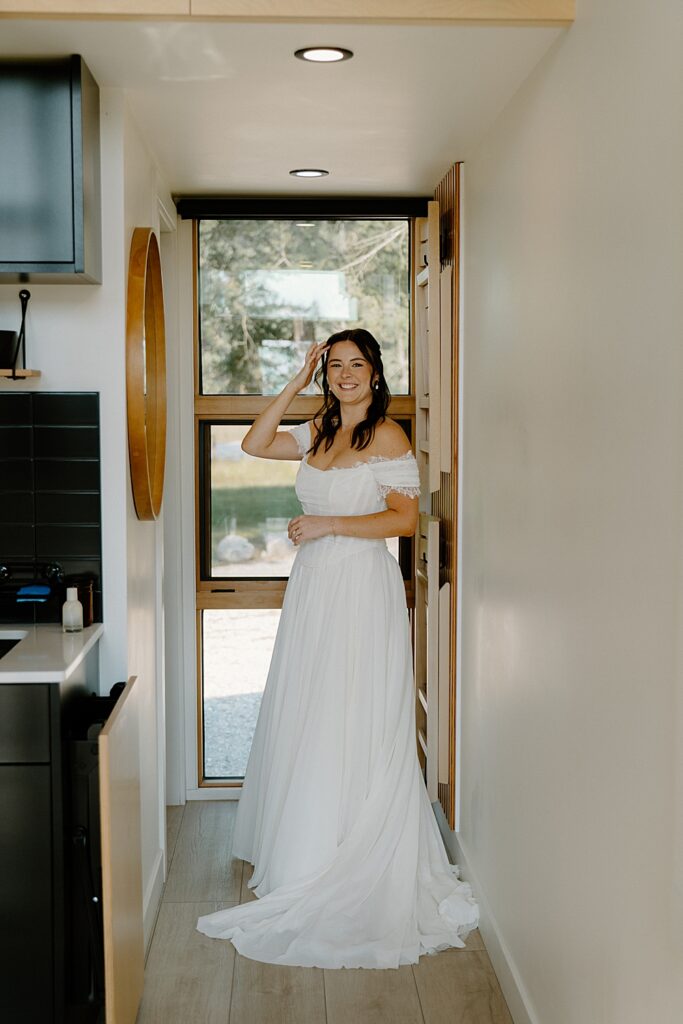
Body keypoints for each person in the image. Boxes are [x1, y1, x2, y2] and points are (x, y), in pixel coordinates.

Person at [196, 328, 479, 969]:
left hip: (359, 585)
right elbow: (254, 442)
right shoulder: (320, 427)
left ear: (376, 375)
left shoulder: (387, 436)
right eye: (337, 365)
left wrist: (327, 524)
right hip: (314, 588)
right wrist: (297, 379)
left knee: (350, 708)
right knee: (309, 707)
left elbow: (405, 519)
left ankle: (346, 848)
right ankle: (305, 845)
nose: (347, 374)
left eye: (358, 365)